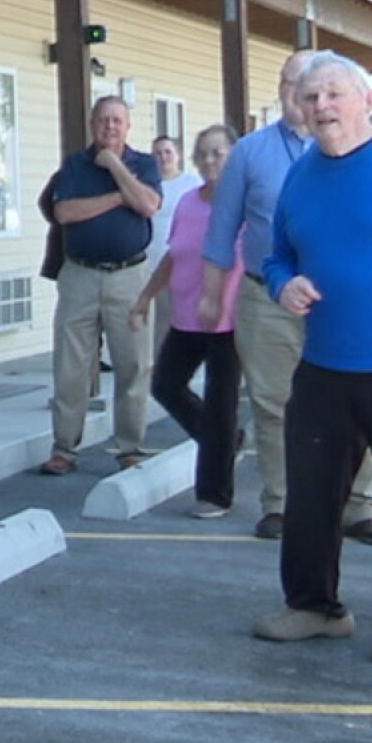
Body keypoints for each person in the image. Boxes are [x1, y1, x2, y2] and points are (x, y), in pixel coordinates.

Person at [249, 53, 372, 668]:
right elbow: (276, 257)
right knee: (311, 495)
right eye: (310, 96)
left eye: (333, 94)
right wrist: (283, 284)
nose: (321, 106)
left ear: (367, 99)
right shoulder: (301, 176)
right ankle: (314, 607)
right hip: (324, 366)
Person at [201, 51, 372, 544]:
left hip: (346, 305)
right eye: (296, 85)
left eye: (325, 89)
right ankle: (282, 503)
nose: (308, 97)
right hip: (267, 299)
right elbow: (222, 231)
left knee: (360, 401)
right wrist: (211, 298)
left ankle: (359, 505)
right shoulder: (250, 152)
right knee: (274, 403)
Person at [36, 96, 161, 476]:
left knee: (134, 364)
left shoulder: (145, 164)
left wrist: (116, 167)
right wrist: (119, 197)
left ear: (128, 126)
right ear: (93, 124)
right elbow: (65, 212)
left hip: (130, 277)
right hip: (80, 276)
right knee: (70, 366)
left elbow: (148, 205)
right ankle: (64, 449)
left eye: (117, 120)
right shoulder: (75, 165)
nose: (110, 126)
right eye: (103, 119)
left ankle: (130, 448)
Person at [130, 125, 242, 520]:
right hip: (186, 317)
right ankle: (225, 442)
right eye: (203, 153)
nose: (209, 160)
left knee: (221, 403)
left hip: (227, 321)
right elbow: (174, 254)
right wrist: (145, 297)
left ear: (234, 157)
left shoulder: (242, 204)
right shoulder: (188, 203)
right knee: (165, 385)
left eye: (218, 153)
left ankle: (214, 494)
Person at [143, 133, 202, 348]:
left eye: (168, 152)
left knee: (181, 321)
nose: (163, 157)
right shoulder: (146, 185)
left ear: (178, 155)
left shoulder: (192, 184)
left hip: (182, 265)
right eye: (157, 153)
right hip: (149, 264)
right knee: (155, 325)